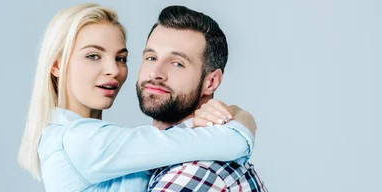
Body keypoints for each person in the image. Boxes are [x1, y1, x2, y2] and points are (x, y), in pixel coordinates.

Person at [17, 3, 256, 192]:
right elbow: (234, 141)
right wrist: (240, 118)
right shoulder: (78, 141)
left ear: (211, 81)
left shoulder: (106, 142)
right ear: (57, 65)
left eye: (121, 58)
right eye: (93, 56)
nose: (113, 69)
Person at [140, 5, 268, 191]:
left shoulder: (193, 171)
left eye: (177, 63)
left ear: (211, 82)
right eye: (151, 58)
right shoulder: (161, 155)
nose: (155, 73)